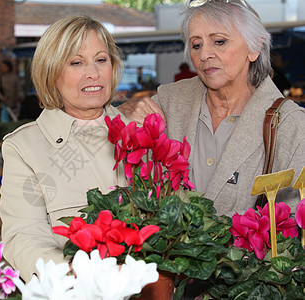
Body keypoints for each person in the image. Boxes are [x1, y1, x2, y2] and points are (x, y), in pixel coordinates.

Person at [118, 0, 305, 217]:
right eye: (197, 45)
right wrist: (125, 112)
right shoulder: (169, 101)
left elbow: (294, 224)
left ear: (254, 48)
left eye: (219, 41)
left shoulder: (289, 124)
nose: (205, 55)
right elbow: (112, 138)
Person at [0, 15, 128, 282]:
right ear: (52, 72)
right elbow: (23, 237)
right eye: (76, 62)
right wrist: (75, 273)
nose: (93, 73)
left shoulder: (139, 132)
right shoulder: (24, 147)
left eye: (101, 60)